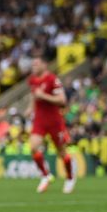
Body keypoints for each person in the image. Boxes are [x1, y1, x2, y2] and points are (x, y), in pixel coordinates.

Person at [27, 57, 75, 194]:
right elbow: (33, 95)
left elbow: (62, 101)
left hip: (54, 120)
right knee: (33, 147)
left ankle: (70, 178)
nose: (34, 66)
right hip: (40, 120)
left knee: (61, 152)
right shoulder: (32, 80)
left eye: (36, 64)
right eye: (33, 64)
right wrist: (30, 108)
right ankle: (45, 175)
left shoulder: (52, 79)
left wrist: (44, 96)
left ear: (44, 64)